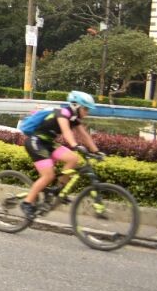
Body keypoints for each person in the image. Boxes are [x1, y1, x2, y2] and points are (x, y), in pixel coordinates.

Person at [21, 90, 105, 219]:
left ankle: (59, 190)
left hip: (48, 143)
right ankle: (27, 203)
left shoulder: (74, 118)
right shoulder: (62, 113)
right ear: (76, 106)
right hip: (36, 141)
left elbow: (85, 135)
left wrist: (96, 151)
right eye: (86, 109)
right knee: (48, 175)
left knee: (72, 158)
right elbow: (66, 132)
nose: (87, 113)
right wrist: (75, 145)